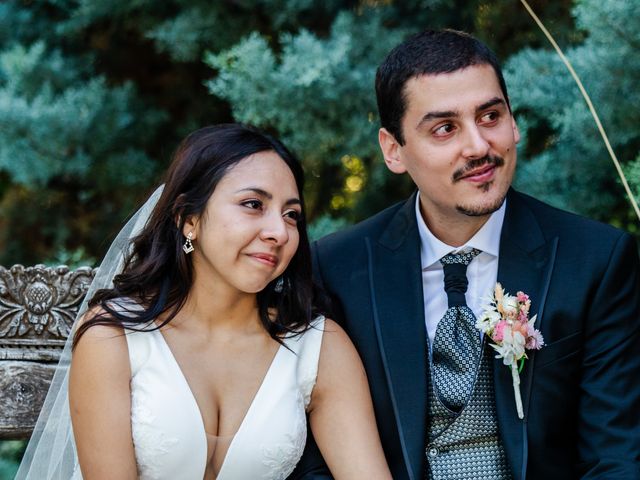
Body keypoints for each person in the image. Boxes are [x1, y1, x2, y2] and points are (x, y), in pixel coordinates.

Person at [290, 30, 640, 479]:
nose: (478, 146)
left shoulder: (596, 260)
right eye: (445, 128)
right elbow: (314, 457)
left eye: (490, 116)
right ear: (394, 150)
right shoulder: (337, 268)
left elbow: (615, 457)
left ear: (513, 122)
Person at [16, 124, 391, 480]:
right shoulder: (115, 337)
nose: (279, 232)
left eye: (291, 215)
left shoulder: (319, 347)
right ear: (188, 219)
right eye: (252, 204)